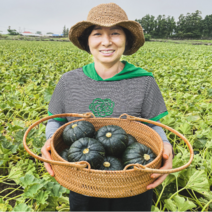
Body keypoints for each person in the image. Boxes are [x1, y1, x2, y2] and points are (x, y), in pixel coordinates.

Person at [41, 3, 173, 211]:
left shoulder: (145, 81)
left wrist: (166, 146)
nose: (106, 41)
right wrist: (49, 141)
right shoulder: (68, 81)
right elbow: (55, 120)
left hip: (134, 180)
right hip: (83, 179)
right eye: (97, 34)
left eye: (115, 33)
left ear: (126, 40)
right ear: (87, 41)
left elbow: (154, 126)